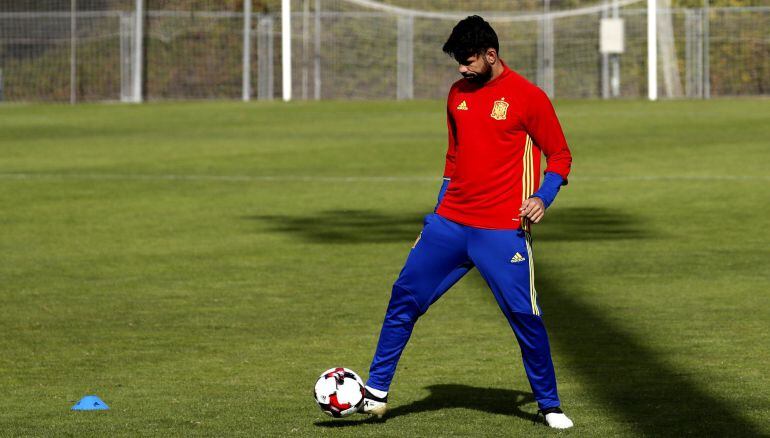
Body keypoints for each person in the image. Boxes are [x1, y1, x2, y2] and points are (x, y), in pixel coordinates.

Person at [360, 16, 574, 429]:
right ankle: (376, 392)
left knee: (525, 316)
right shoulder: (457, 94)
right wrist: (437, 211)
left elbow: (560, 156)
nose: (460, 68)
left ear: (491, 55)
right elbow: (453, 157)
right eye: (458, 60)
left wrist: (542, 197)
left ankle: (549, 404)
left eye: (468, 60)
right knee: (403, 298)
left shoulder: (528, 97)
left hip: (501, 230)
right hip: (449, 225)